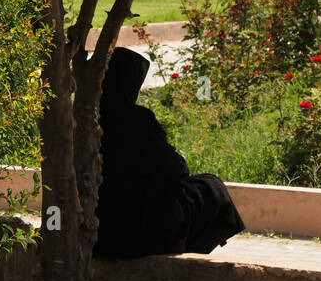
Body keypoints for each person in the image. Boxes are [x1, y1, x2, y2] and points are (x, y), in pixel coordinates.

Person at [93, 46, 245, 259]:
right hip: (140, 235)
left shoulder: (80, 119)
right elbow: (173, 170)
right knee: (211, 187)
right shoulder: (137, 121)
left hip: (101, 233)